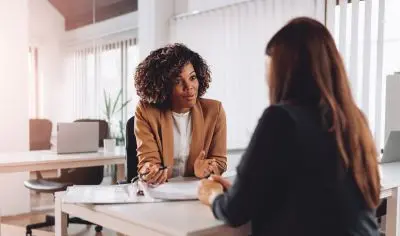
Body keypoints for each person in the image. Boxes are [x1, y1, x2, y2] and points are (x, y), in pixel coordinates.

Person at [198, 17, 380, 236]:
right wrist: (242, 191)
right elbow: (311, 192)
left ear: (285, 71)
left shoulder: (281, 118)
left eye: (269, 68)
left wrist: (213, 195)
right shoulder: (353, 120)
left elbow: (235, 211)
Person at [134, 43, 227, 185]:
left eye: (192, 77)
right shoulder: (146, 111)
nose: (189, 86)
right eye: (178, 81)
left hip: (196, 194)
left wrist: (208, 169)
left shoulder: (215, 111)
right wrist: (150, 170)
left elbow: (220, 162)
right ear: (163, 86)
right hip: (161, 192)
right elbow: (147, 162)